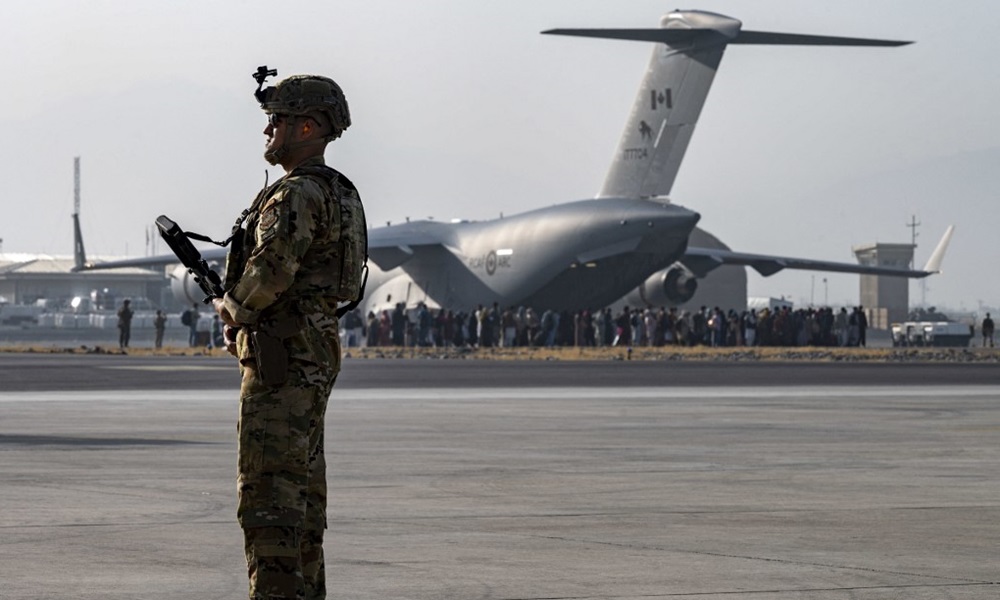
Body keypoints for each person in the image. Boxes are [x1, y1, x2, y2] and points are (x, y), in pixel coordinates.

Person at [212, 70, 365, 600]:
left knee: (269, 499)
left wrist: (231, 309)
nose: (267, 131)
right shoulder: (339, 192)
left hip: (280, 360)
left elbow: (271, 272)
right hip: (312, 352)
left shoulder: (297, 195)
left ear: (306, 126)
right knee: (302, 500)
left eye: (275, 121)